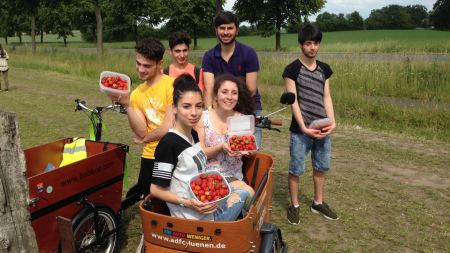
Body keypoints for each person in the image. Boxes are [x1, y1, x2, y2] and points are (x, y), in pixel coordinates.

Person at [150, 74, 249, 221]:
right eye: (186, 106)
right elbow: (156, 189)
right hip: (193, 219)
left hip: (207, 207)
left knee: (243, 189)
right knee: (245, 193)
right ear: (174, 109)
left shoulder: (194, 136)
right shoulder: (169, 143)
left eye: (199, 106)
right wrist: (187, 203)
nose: (194, 113)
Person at [283, 24, 338, 224]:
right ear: (301, 45)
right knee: (296, 168)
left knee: (321, 166)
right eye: (308, 43)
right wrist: (304, 128)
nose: (312, 47)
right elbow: (293, 101)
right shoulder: (292, 69)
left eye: (316, 43)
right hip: (300, 131)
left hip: (323, 127)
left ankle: (318, 202)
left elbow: (327, 96)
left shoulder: (325, 69)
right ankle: (294, 205)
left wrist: (332, 122)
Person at [114, 37, 175, 202]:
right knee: (148, 199)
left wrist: (145, 139)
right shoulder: (136, 94)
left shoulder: (172, 86)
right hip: (149, 154)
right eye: (138, 63)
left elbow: (169, 126)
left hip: (172, 153)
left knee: (168, 200)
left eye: (146, 66)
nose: (140, 69)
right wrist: (127, 105)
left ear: (160, 63)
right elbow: (140, 130)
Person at [202, 11, 263, 148]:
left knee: (248, 151)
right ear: (216, 30)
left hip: (248, 107)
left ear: (237, 30)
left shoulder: (249, 53)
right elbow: (210, 88)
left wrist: (232, 110)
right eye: (222, 28)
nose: (226, 32)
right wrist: (208, 114)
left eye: (230, 28)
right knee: (220, 148)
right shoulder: (209, 56)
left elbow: (251, 89)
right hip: (220, 108)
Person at [195, 74, 255, 198]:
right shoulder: (203, 118)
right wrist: (220, 147)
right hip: (208, 178)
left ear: (238, 97)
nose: (229, 97)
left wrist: (245, 152)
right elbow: (200, 154)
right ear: (216, 95)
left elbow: (250, 149)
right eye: (224, 92)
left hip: (234, 178)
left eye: (234, 93)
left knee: (248, 193)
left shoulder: (242, 119)